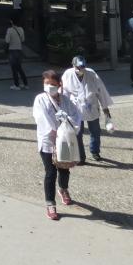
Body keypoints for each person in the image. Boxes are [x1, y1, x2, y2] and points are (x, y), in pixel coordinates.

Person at [32, 69, 83, 220]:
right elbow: (41, 118)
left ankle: (63, 189)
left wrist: (68, 121)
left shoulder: (65, 100)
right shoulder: (40, 99)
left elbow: (76, 115)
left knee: (64, 169)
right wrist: (56, 128)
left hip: (65, 140)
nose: (49, 87)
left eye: (52, 84)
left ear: (59, 85)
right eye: (46, 83)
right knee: (50, 172)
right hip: (48, 140)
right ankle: (50, 204)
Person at [61, 56, 113, 163]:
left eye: (83, 67)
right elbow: (64, 92)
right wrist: (63, 108)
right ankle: (81, 156)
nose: (81, 69)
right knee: (77, 133)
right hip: (75, 107)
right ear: (73, 65)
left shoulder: (91, 73)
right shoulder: (67, 74)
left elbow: (101, 91)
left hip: (91, 106)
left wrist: (106, 110)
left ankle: (95, 151)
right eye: (78, 67)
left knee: (95, 131)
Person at [4, 14, 28, 90]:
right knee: (19, 68)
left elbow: (7, 41)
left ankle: (16, 85)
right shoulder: (21, 29)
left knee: (14, 68)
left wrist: (5, 50)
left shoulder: (9, 30)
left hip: (12, 51)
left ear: (11, 21)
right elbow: (23, 40)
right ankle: (25, 84)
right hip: (19, 50)